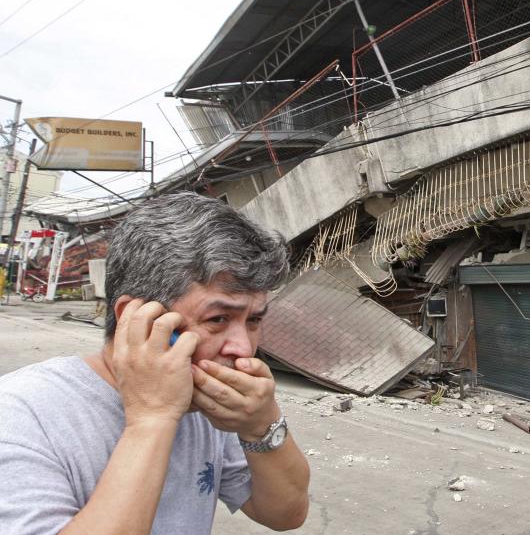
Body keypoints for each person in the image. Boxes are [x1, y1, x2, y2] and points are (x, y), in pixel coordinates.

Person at [0, 193, 310, 535]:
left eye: (253, 321)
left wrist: (262, 425)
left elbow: (284, 514)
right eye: (219, 318)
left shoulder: (205, 406)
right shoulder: (19, 415)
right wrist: (151, 419)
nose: (243, 348)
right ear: (135, 318)